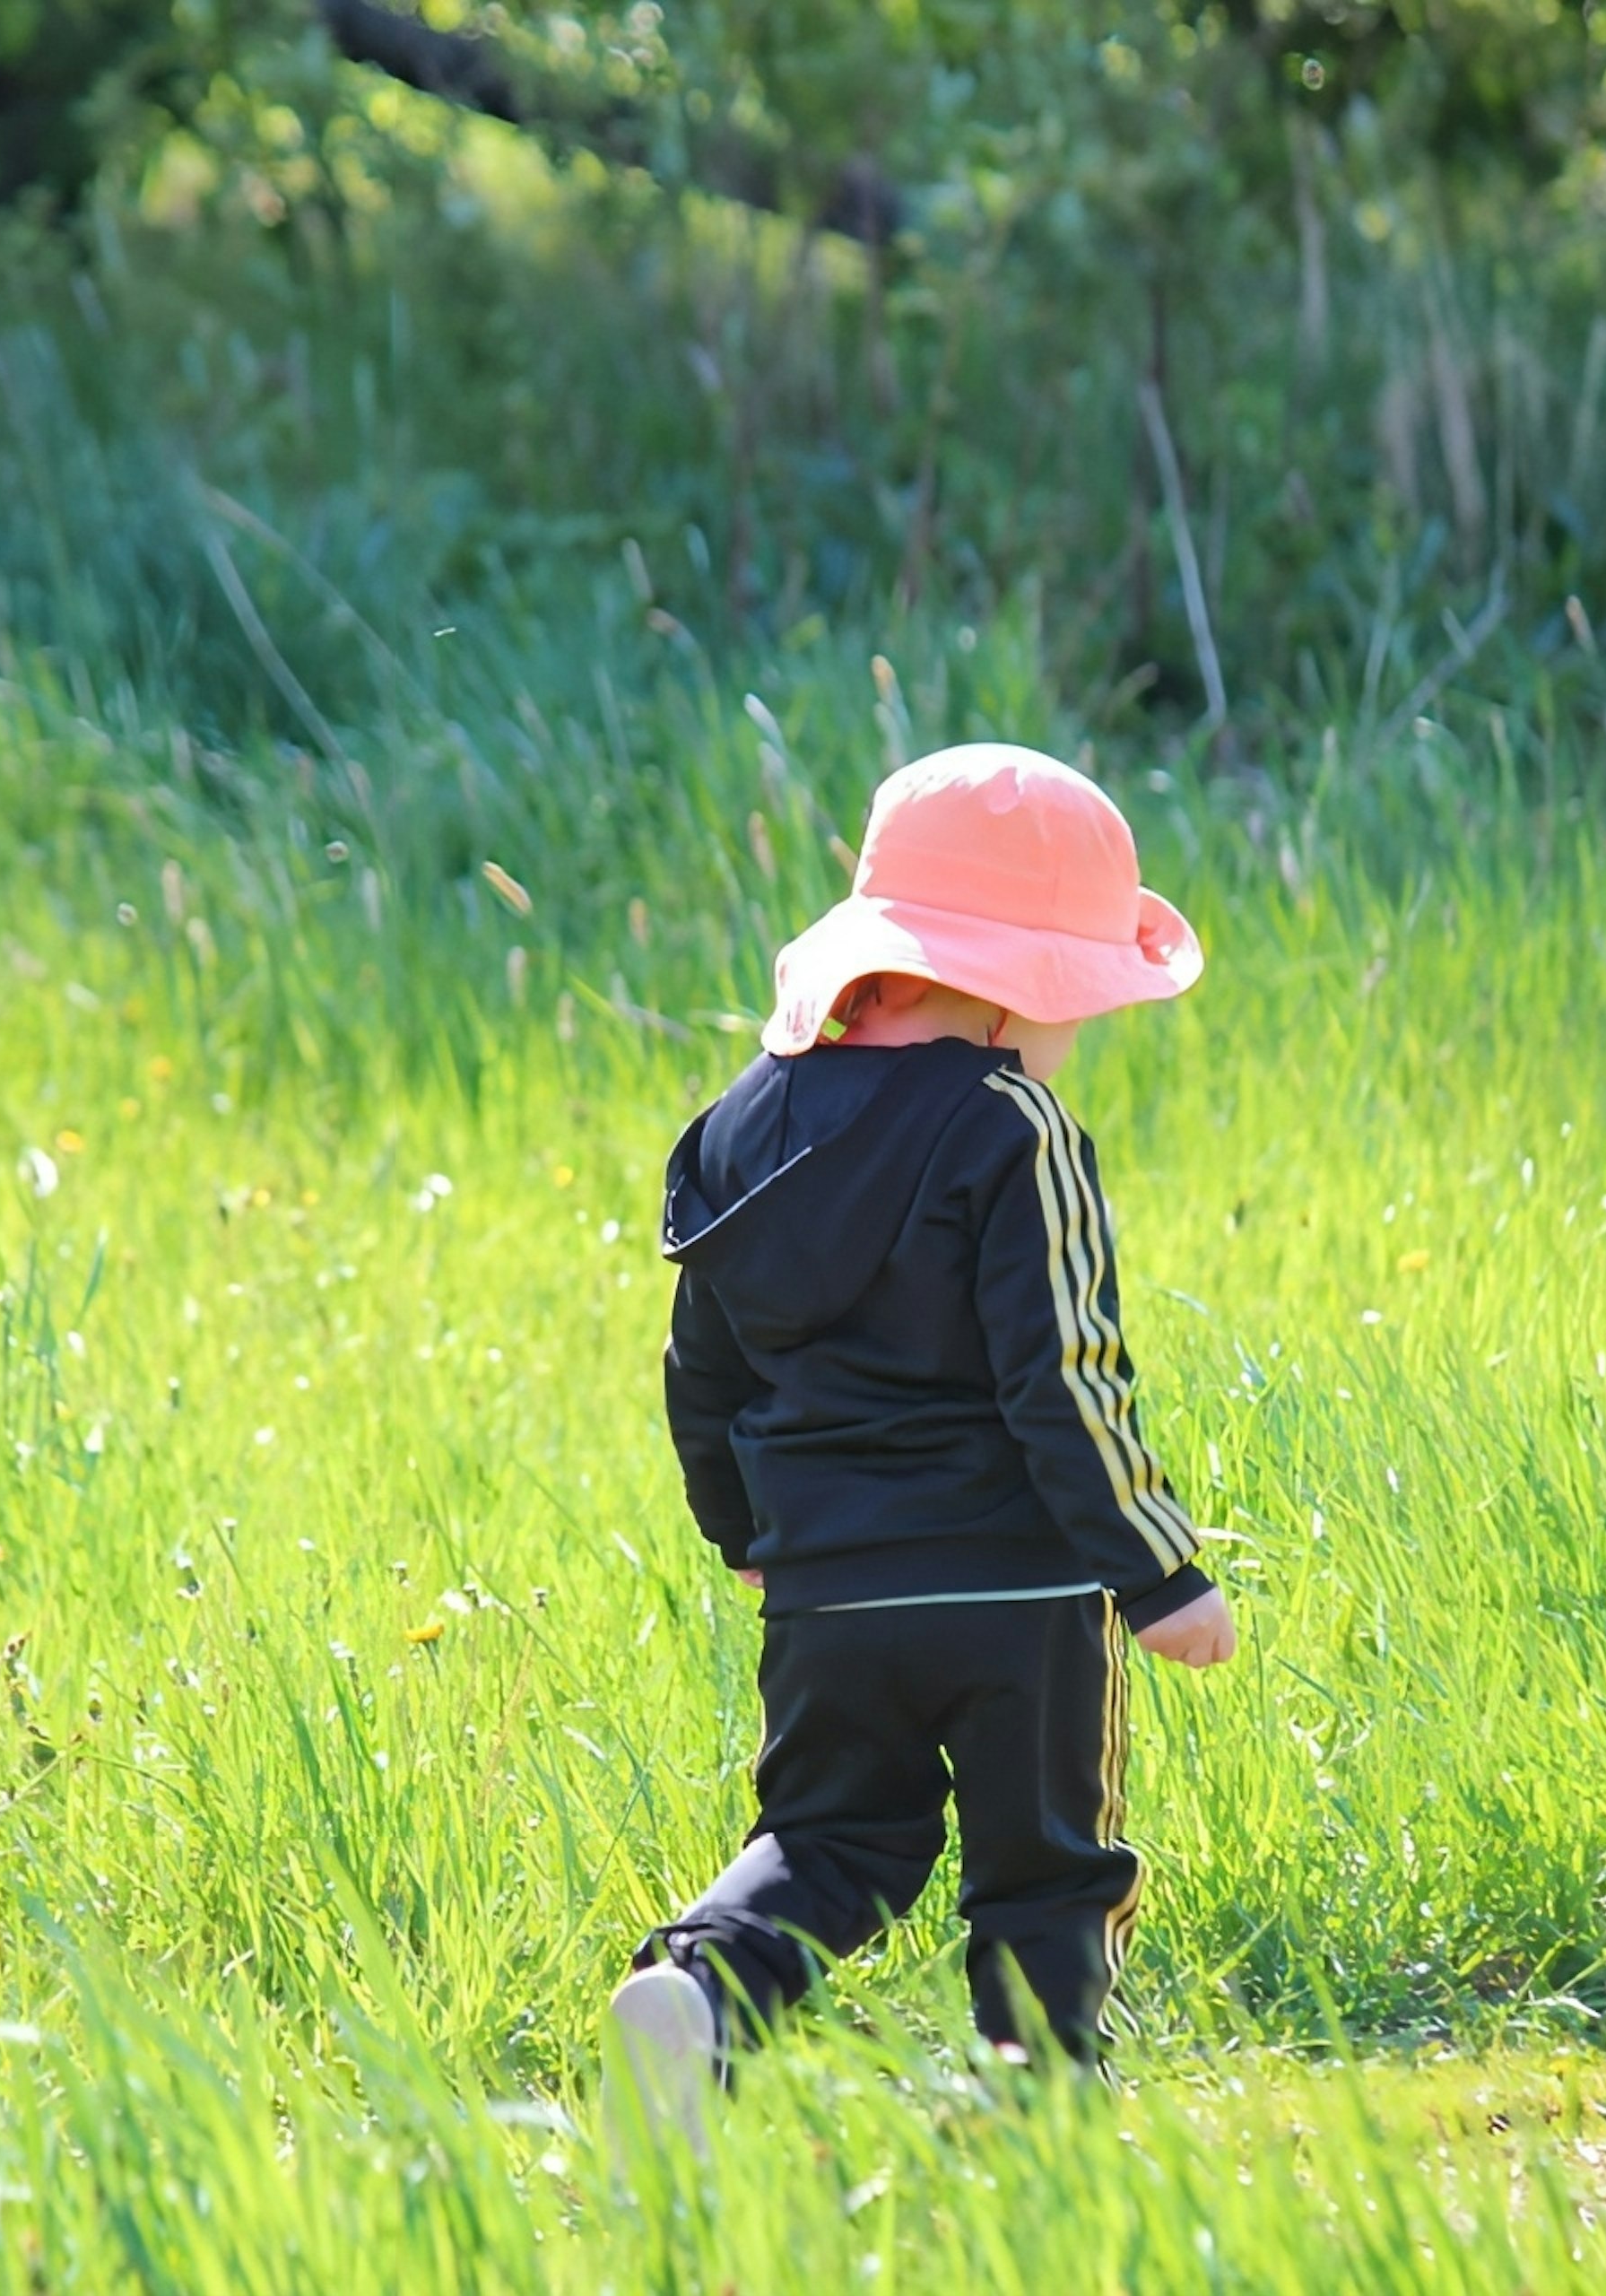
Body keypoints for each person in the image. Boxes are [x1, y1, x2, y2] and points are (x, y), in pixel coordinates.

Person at [607, 742, 1237, 2147]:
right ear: (1018, 992)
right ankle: (1044, 2116)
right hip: (1015, 1603)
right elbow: (1064, 1378)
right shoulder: (1011, 1126)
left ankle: (703, 1995)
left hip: (827, 1595)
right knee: (1046, 1868)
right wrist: (1159, 1573)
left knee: (831, 1845)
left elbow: (698, 1374)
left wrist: (750, 1541)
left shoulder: (731, 1132)